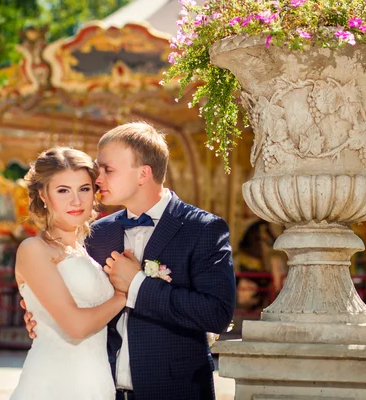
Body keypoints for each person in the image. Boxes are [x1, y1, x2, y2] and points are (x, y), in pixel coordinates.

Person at [23, 122, 236, 400]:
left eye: (107, 170)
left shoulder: (202, 229)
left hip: (174, 391)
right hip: (101, 389)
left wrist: (137, 284)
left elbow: (217, 314)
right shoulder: (97, 233)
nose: (97, 179)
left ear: (143, 174)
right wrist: (40, 313)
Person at [11, 147, 126, 399]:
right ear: (43, 194)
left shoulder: (85, 250)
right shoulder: (34, 249)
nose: (76, 201)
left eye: (84, 189)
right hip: (52, 384)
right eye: (63, 191)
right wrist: (123, 294)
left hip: (96, 384)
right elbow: (75, 326)